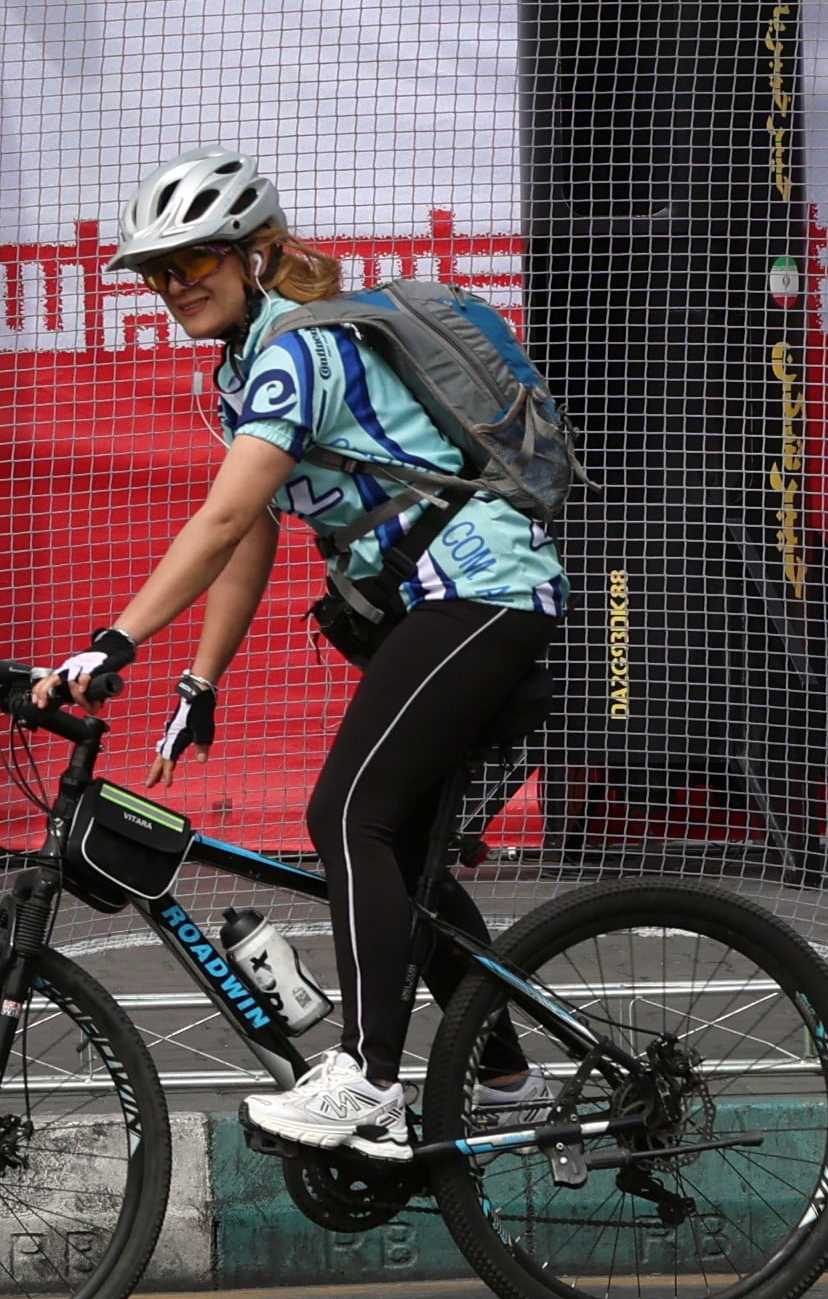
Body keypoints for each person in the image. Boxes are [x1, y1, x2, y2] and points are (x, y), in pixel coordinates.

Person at [64, 148, 567, 1159]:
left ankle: (371, 1080)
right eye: (157, 273)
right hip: (442, 603)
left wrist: (111, 641)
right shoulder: (243, 372)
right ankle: (508, 1076)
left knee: (346, 814)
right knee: (402, 848)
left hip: (482, 591)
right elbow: (251, 539)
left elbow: (219, 521)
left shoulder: (296, 352)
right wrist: (198, 682)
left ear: (254, 254)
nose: (174, 288)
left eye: (194, 261)